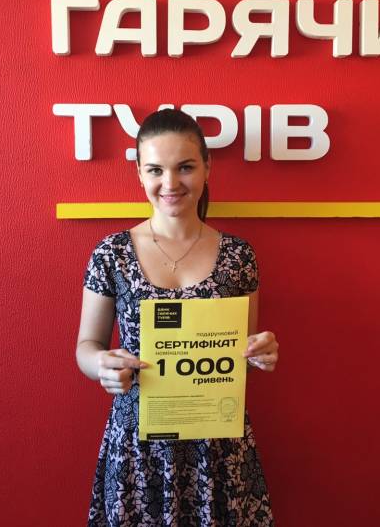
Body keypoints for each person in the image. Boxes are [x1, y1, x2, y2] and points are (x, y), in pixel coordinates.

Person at [77, 109, 279, 526]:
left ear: (207, 167)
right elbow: (86, 346)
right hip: (138, 446)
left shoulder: (238, 256)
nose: (170, 184)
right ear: (139, 173)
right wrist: (101, 365)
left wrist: (261, 351)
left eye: (185, 167)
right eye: (155, 169)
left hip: (217, 446)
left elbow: (243, 356)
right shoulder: (111, 253)